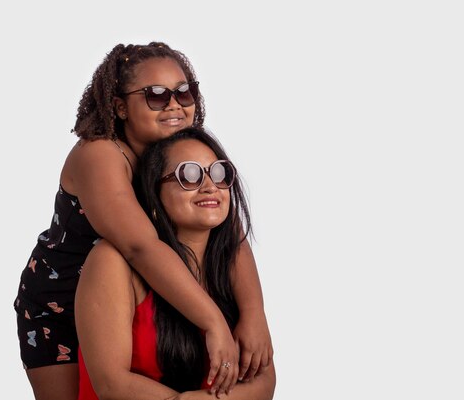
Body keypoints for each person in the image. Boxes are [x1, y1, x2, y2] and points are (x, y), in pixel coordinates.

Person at [14, 42, 272, 400]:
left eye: (185, 93)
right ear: (120, 106)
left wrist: (253, 314)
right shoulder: (101, 155)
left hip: (135, 292)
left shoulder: (177, 152)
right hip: (60, 302)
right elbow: (140, 246)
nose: (174, 105)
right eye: (155, 96)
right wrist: (213, 321)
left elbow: (229, 234)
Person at [76, 127, 275, 400]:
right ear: (154, 196)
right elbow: (112, 385)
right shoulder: (111, 262)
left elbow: (263, 383)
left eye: (218, 173)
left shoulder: (232, 267)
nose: (210, 186)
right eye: (189, 176)